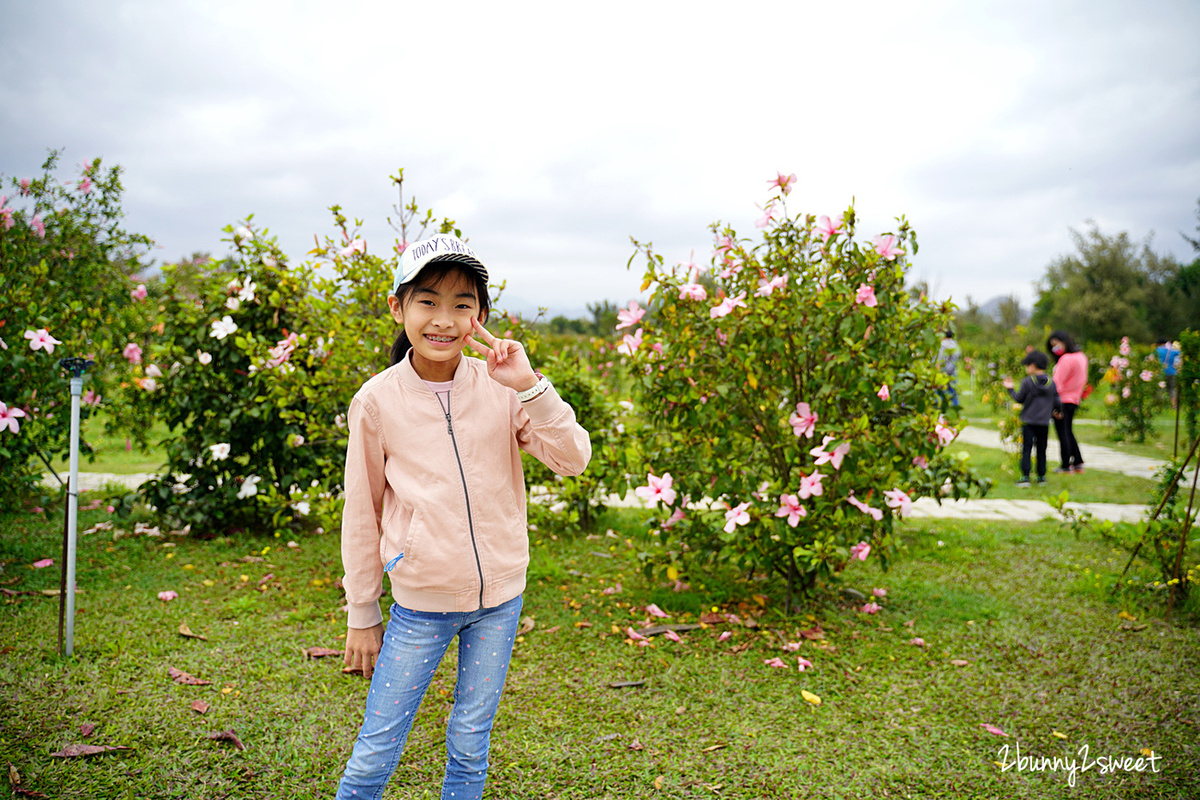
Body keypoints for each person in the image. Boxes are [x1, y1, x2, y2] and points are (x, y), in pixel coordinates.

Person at [335, 233, 592, 800]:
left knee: (472, 743)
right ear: (398, 307)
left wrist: (529, 386)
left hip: (501, 602)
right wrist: (362, 610)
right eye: (427, 301)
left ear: (480, 317)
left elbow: (573, 460)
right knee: (377, 748)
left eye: (462, 305)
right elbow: (362, 511)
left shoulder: (503, 390)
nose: (443, 320)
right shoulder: (376, 401)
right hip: (421, 606)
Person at [1003, 350, 1060, 487]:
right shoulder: (1051, 383)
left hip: (1029, 421)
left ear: (1033, 365)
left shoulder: (1028, 382)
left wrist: (1010, 389)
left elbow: (1019, 398)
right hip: (1044, 422)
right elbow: (1057, 400)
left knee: (1027, 449)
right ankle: (1041, 477)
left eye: (1027, 365)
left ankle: (1025, 477)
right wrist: (1057, 411)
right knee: (1041, 449)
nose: (1026, 368)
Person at [1046, 329, 1086, 473]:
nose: (1054, 348)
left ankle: (1065, 464)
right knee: (1068, 431)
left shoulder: (1066, 359)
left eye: (1056, 344)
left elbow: (1056, 384)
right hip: (1074, 398)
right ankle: (1077, 461)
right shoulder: (1081, 357)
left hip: (1061, 400)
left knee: (1063, 433)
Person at [936, 330, 961, 408]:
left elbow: (939, 358)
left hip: (943, 371)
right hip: (952, 371)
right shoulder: (955, 345)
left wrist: (937, 369)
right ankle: (955, 408)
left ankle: (938, 408)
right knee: (953, 392)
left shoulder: (942, 344)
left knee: (940, 391)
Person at [1155, 338, 1180, 405]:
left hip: (1161, 372)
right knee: (1172, 389)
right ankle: (1173, 405)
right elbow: (1180, 353)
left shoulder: (1157, 350)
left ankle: (1160, 404)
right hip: (1172, 372)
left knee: (1160, 389)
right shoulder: (1171, 351)